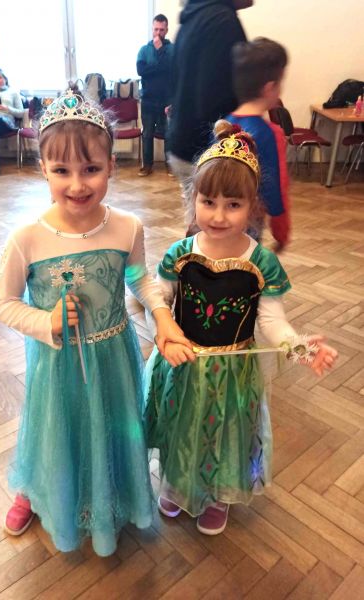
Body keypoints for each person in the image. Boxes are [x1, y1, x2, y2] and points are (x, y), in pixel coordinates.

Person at [0, 89, 191, 556]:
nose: (77, 184)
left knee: (112, 427)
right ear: (43, 168)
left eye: (91, 169)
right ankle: (37, 490)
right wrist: (46, 320)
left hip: (114, 355)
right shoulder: (27, 238)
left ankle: (112, 493)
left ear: (112, 165)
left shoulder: (128, 227)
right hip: (57, 361)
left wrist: (162, 318)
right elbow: (2, 303)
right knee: (55, 429)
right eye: (61, 170)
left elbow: (139, 279)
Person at [144, 121, 337, 536]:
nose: (218, 215)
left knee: (225, 431)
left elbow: (271, 320)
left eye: (232, 204)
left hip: (232, 371)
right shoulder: (180, 254)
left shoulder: (261, 263)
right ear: (193, 198)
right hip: (182, 364)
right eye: (208, 201)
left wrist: (299, 347)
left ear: (253, 207)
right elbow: (156, 301)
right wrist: (164, 335)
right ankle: (177, 483)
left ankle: (217, 494)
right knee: (180, 425)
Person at [168, 0, 253, 212]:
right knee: (217, 223)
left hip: (182, 142)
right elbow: (217, 99)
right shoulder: (223, 21)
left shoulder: (192, 18)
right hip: (205, 151)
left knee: (199, 219)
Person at [227, 37, 290, 251]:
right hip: (248, 225)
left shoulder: (223, 126)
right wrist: (281, 233)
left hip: (217, 222)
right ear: (269, 88)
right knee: (246, 265)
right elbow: (275, 189)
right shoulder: (269, 134)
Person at [136, 13, 174, 177]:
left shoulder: (172, 50)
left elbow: (172, 70)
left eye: (161, 30)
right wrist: (160, 67)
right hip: (148, 100)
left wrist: (160, 51)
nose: (158, 33)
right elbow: (141, 71)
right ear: (152, 29)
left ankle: (170, 166)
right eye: (156, 29)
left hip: (167, 100)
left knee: (168, 134)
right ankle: (147, 166)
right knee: (147, 134)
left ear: (166, 30)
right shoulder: (144, 50)